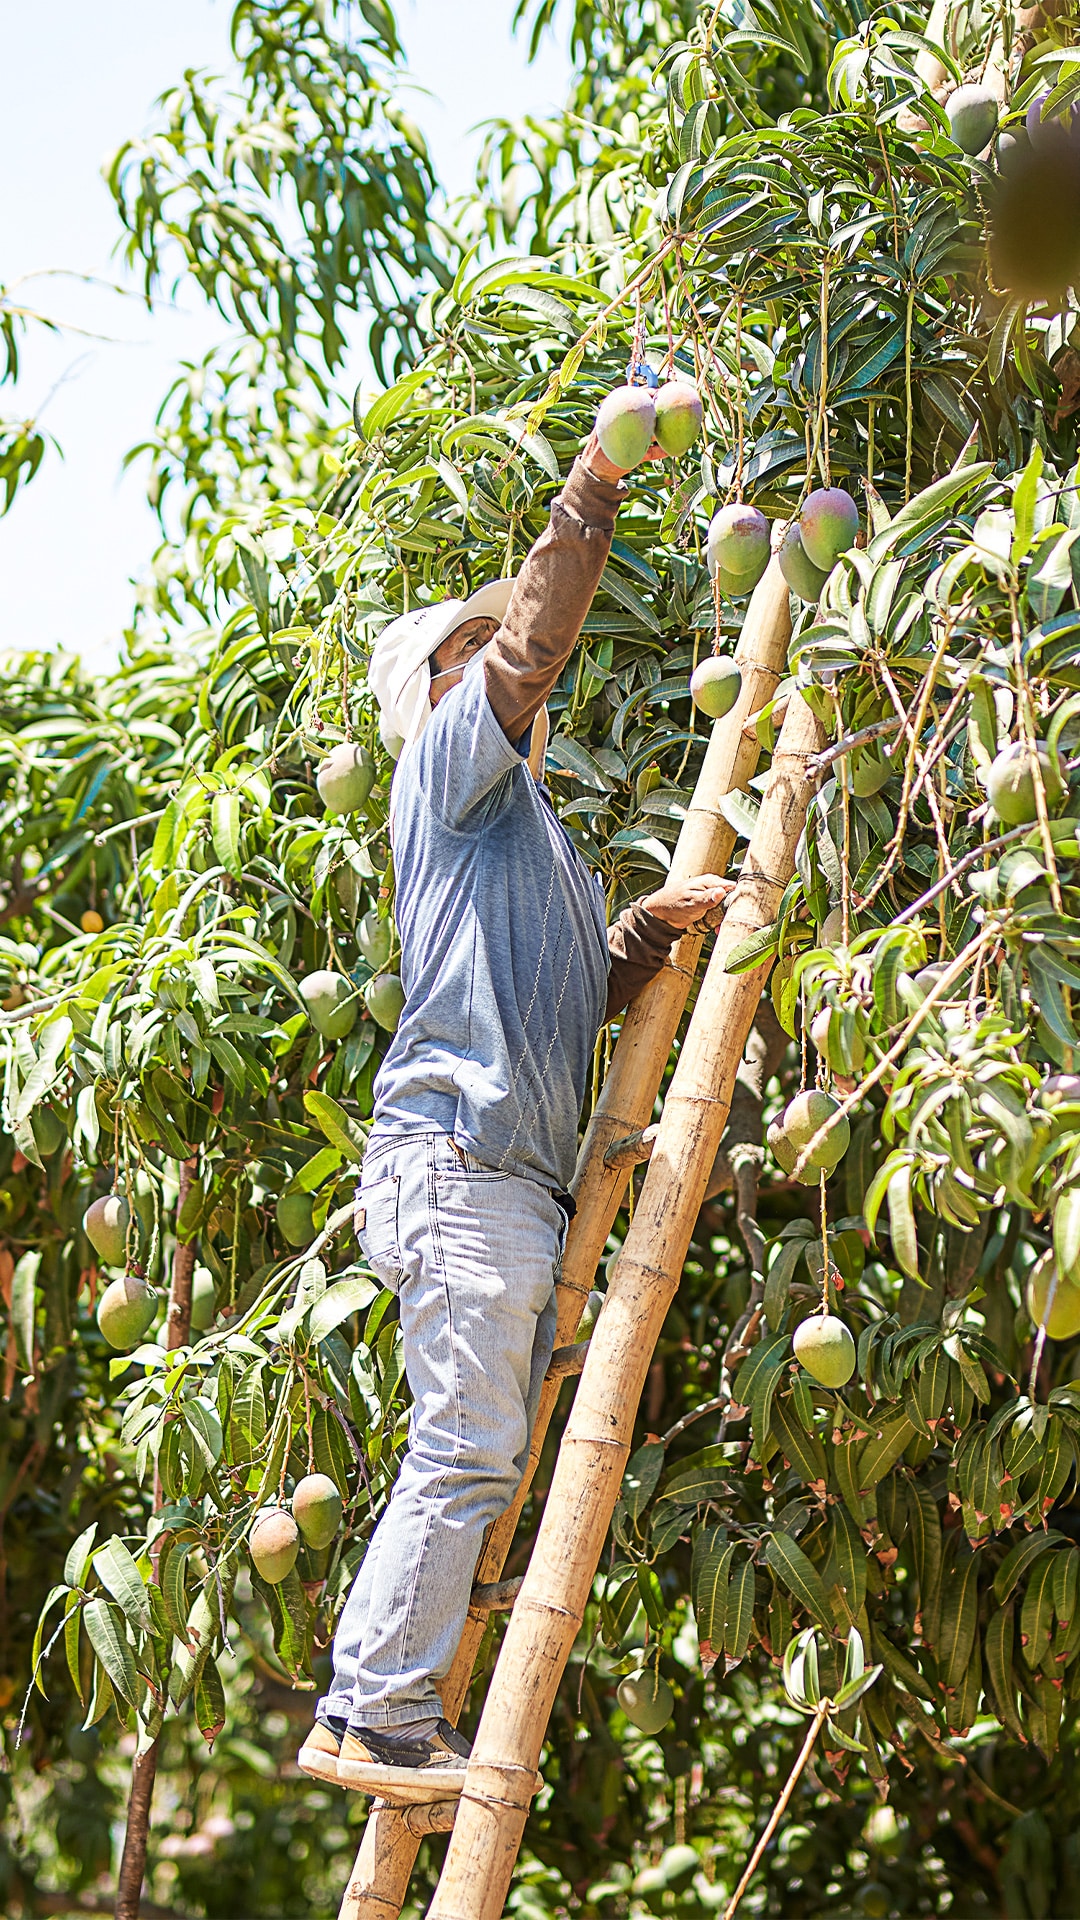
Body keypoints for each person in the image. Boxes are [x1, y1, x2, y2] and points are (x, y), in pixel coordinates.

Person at [298, 411, 733, 1804]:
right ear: (429, 695)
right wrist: (596, 482)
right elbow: (530, 645)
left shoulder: (524, 836)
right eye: (470, 659)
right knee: (468, 1448)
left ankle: (382, 1707)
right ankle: (370, 1715)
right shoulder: (443, 774)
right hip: (466, 1168)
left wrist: (640, 940)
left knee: (474, 1448)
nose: (508, 674)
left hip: (503, 1182)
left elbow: (546, 1006)